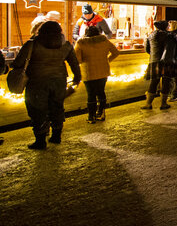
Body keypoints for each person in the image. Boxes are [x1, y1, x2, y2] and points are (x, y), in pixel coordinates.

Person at [12, 21, 81, 149]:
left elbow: (18, 62)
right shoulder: (65, 45)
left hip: (37, 82)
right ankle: (56, 136)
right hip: (59, 81)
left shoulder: (32, 44)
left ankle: (40, 140)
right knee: (57, 107)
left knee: (37, 110)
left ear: (41, 31)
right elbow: (74, 63)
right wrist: (77, 77)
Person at [74, 25, 120, 123]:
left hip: (88, 72)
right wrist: (107, 60)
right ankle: (101, 113)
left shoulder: (81, 43)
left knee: (91, 94)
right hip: (103, 71)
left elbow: (77, 59)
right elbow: (116, 52)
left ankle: (91, 116)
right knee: (101, 92)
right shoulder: (104, 40)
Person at [143, 20, 172, 110]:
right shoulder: (168, 36)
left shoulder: (151, 35)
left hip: (154, 61)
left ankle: (148, 103)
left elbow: (147, 49)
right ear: (165, 27)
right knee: (166, 81)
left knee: (154, 82)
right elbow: (170, 49)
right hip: (166, 62)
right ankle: (163, 103)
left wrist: (153, 56)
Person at [164, 20, 177, 102]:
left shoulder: (175, 34)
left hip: (175, 57)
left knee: (175, 76)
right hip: (176, 57)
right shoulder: (176, 34)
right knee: (175, 75)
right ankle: (176, 93)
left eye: (169, 26)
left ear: (173, 26)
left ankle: (174, 94)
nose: (168, 28)